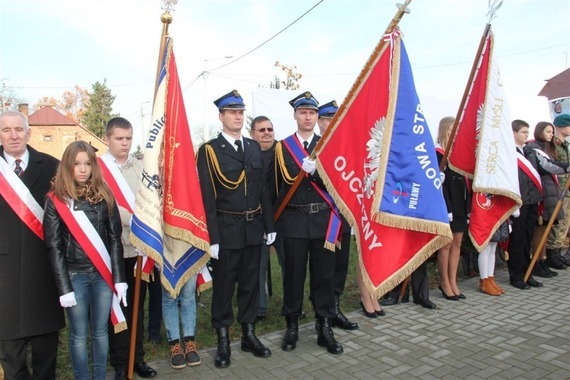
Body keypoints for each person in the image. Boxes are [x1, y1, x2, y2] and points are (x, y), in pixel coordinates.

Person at [197, 90, 276, 368]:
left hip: (253, 227)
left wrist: (269, 225)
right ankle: (222, 340)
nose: (238, 116)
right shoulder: (209, 150)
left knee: (251, 284)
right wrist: (212, 237)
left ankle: (248, 334)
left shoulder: (254, 147)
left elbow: (262, 189)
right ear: (221, 117)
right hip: (227, 229)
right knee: (224, 287)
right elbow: (207, 196)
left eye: (241, 112)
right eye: (232, 112)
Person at [43, 141, 127, 380]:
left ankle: (99, 376)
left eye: (87, 164)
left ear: (94, 166)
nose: (82, 169)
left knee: (100, 332)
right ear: (68, 166)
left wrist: (119, 278)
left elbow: (114, 239)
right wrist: (63, 287)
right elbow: (54, 246)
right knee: (79, 334)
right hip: (74, 276)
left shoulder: (104, 195)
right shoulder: (56, 199)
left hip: (102, 276)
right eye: (77, 164)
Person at [274, 91, 343, 355]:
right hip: (293, 221)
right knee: (293, 276)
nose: (308, 117)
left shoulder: (329, 145)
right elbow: (276, 188)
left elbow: (337, 185)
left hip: (324, 220)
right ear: (295, 115)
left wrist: (318, 175)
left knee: (323, 277)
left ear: (317, 116)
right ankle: (292, 326)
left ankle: (324, 327)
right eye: (303, 112)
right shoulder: (283, 147)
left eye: (312, 113)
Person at [0, 110, 65, 379]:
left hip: (43, 270)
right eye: (6, 130)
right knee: (10, 354)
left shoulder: (52, 166)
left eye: (19, 129)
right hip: (4, 273)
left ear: (29, 133)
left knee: (45, 351)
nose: (13, 135)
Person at [101, 117, 157, 379]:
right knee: (117, 311)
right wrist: (132, 219)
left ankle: (138, 359)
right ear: (107, 139)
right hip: (111, 252)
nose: (124, 143)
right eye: (119, 138)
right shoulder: (98, 168)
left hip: (138, 250)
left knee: (137, 307)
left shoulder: (141, 167)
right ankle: (121, 364)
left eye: (128, 138)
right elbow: (101, 205)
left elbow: (152, 198)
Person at [316, 101, 360, 329]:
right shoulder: (314, 149)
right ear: (320, 122)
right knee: (323, 269)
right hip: (321, 221)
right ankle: (322, 312)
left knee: (340, 266)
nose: (332, 124)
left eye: (336, 119)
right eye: (328, 119)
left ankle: (335, 308)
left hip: (342, 218)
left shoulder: (346, 147)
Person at [249, 115, 283, 321]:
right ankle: (260, 307)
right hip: (260, 220)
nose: (267, 133)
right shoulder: (247, 154)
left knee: (289, 265)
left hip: (284, 218)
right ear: (252, 134)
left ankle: (292, 305)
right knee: (258, 266)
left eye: (269, 129)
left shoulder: (283, 151)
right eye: (261, 130)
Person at [526, 121, 570, 278]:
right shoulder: (532, 149)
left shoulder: (547, 148)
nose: (551, 134)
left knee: (545, 227)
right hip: (542, 192)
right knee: (540, 229)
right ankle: (536, 261)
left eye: (552, 131)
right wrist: (567, 167)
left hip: (551, 190)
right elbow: (547, 166)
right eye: (548, 131)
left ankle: (542, 260)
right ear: (539, 131)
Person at [436, 116, 470, 300]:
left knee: (457, 242)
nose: (454, 133)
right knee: (446, 244)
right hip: (445, 204)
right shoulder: (437, 154)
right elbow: (440, 185)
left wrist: (468, 207)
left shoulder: (458, 154)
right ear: (444, 130)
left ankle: (453, 280)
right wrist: (447, 207)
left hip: (459, 204)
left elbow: (464, 183)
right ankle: (444, 283)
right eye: (452, 129)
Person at [508, 120, 543, 290]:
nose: (526, 135)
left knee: (528, 238)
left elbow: (544, 167)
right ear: (513, 133)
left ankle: (528, 273)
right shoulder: (508, 152)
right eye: (523, 132)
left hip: (532, 200)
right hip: (519, 201)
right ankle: (516, 276)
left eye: (527, 132)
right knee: (517, 239)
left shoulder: (529, 151)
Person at [546, 113, 570, 269]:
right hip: (558, 188)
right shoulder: (553, 145)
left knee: (565, 222)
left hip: (566, 189)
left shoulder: (564, 144)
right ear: (561, 126)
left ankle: (558, 252)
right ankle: (552, 254)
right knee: (558, 222)